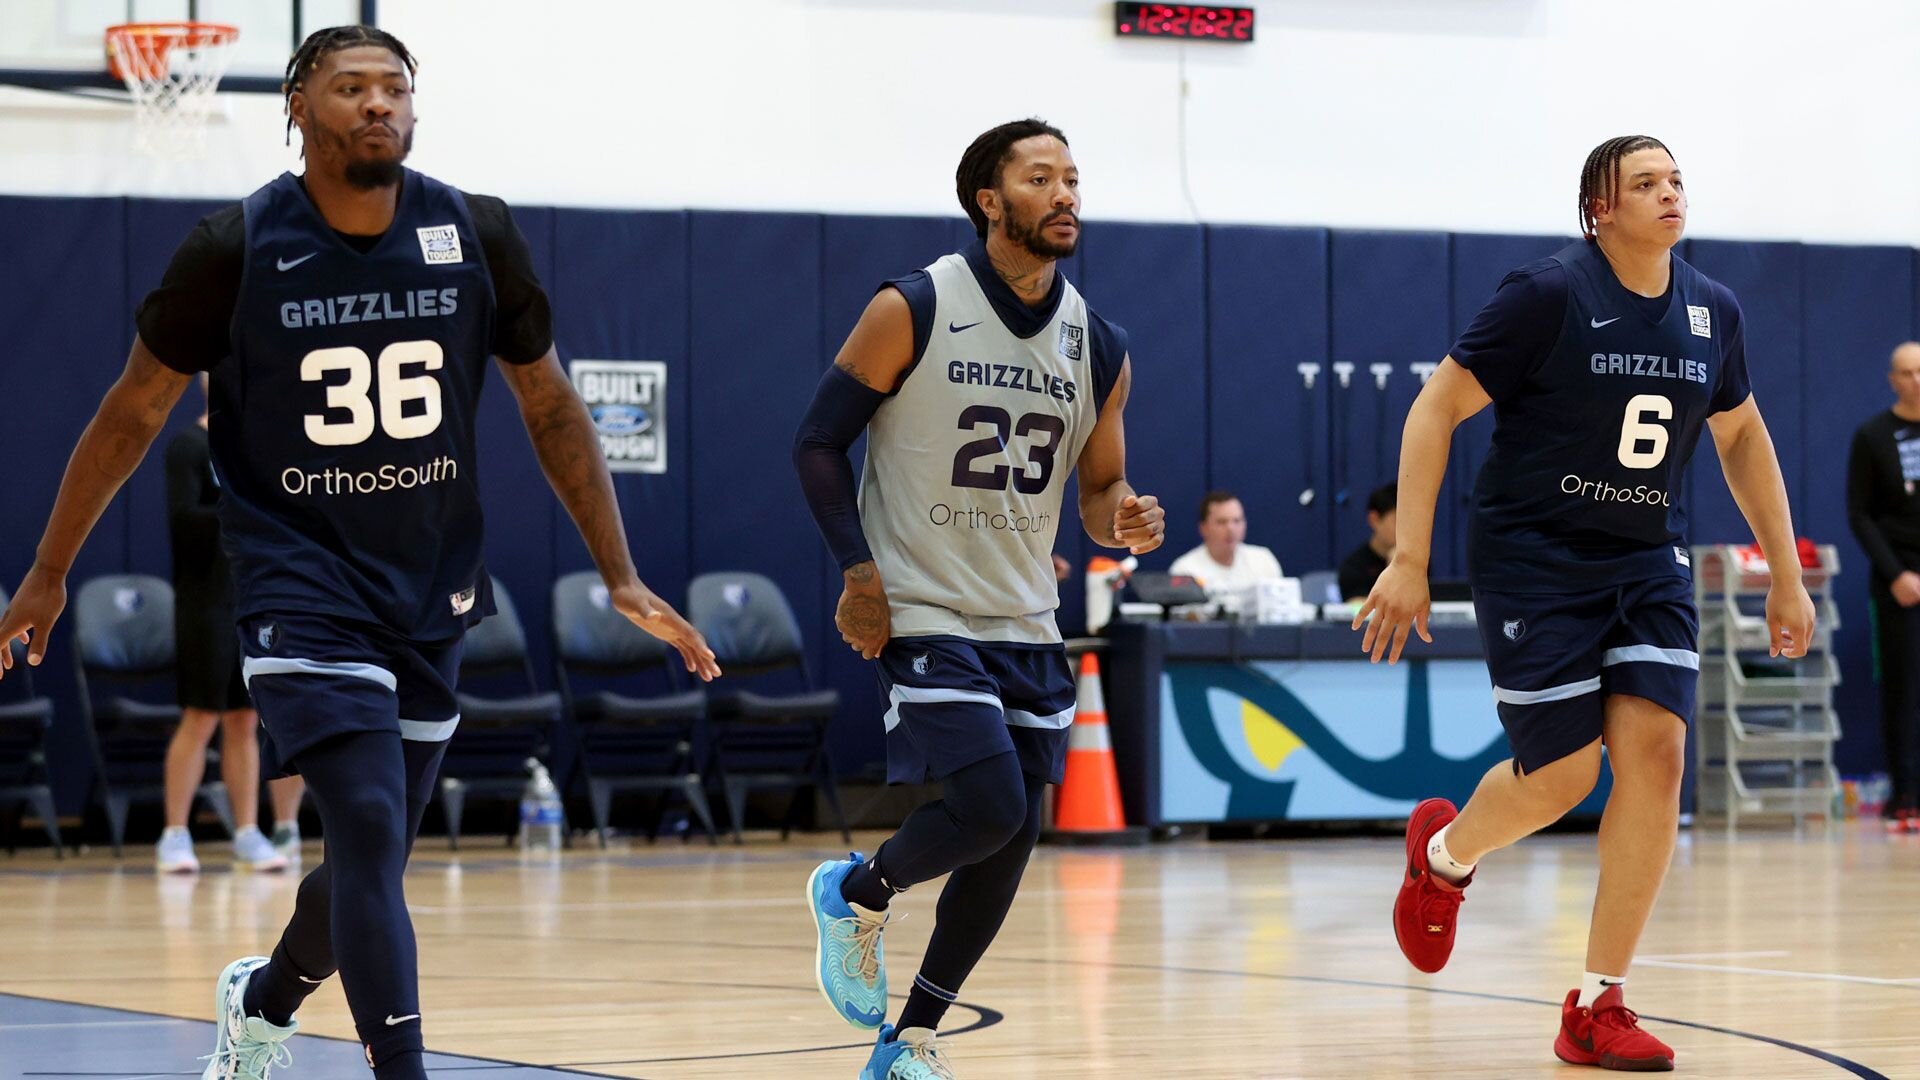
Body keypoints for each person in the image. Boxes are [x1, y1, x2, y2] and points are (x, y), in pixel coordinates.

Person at [0, 25, 717, 1080]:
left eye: (395, 87)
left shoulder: (473, 232)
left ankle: (263, 1000)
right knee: (374, 823)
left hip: (431, 585)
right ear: (300, 109)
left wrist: (618, 571)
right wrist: (50, 569)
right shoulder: (233, 247)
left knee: (368, 859)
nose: (378, 103)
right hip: (298, 577)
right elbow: (130, 413)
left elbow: (552, 404)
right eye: (350, 87)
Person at [1356, 135, 1813, 1072]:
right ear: (1599, 208)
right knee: (1562, 779)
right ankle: (1443, 857)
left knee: (1657, 753)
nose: (1669, 193)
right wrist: (1409, 557)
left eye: (1676, 179)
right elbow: (1435, 408)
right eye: (1644, 183)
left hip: (1647, 561)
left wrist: (1786, 571)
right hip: (1536, 561)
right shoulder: (1548, 294)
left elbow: (1742, 436)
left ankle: (1597, 1004)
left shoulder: (1711, 310)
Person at [794, 117, 1162, 1080]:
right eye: (1043, 179)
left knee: (1011, 833)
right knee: (991, 801)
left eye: (1074, 178)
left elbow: (1094, 494)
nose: (1067, 195)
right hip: (921, 601)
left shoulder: (1099, 344)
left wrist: (1123, 515)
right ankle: (856, 892)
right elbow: (818, 443)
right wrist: (859, 575)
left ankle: (905, 1044)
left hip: (1024, 618)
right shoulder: (912, 305)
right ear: (990, 201)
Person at [160, 374, 303, 874]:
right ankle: (175, 834)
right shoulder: (188, 446)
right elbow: (183, 519)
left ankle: (247, 831)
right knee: (201, 716)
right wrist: (238, 507)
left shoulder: (257, 452)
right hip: (203, 601)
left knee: (245, 720)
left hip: (251, 600)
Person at [1846, 341, 1920, 832]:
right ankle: (1906, 796)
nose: (1916, 380)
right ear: (1892, 379)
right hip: (1900, 580)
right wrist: (1897, 574)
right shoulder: (1873, 435)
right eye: (1907, 372)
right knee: (1904, 688)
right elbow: (1860, 513)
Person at [1167, 490, 1282, 615]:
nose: (1231, 529)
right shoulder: (1185, 570)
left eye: (1237, 521)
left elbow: (1282, 609)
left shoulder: (1263, 560)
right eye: (1222, 522)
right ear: (1203, 528)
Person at [1337, 482, 1397, 602]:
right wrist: (1394, 570)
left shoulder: (1415, 561)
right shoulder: (1354, 566)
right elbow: (1357, 609)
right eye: (1397, 521)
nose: (1405, 528)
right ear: (1374, 519)